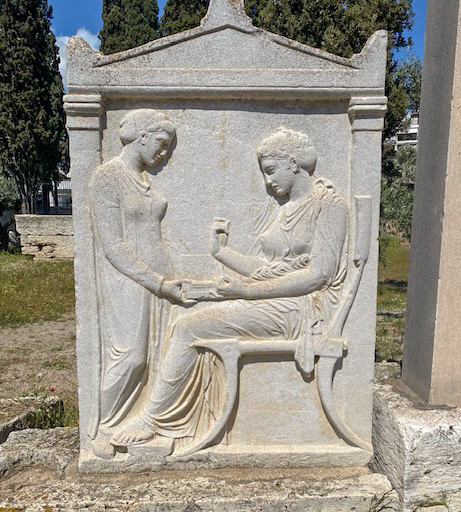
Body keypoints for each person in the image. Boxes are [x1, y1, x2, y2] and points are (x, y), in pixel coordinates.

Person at [111, 126, 349, 452]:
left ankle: (154, 420)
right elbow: (269, 270)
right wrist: (222, 254)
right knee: (192, 312)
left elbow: (317, 276)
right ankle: (178, 419)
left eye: (271, 170)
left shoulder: (331, 205)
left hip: (305, 311)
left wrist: (246, 292)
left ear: (293, 163)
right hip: (281, 300)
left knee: (189, 326)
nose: (267, 181)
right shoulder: (287, 208)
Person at [89, 109, 186, 458]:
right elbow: (113, 246)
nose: (164, 152)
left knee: (159, 355)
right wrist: (157, 282)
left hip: (161, 279)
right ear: (142, 137)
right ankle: (104, 427)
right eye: (161, 143)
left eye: (169, 146)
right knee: (131, 357)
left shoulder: (144, 179)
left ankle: (145, 424)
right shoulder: (107, 177)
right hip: (128, 280)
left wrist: (167, 280)